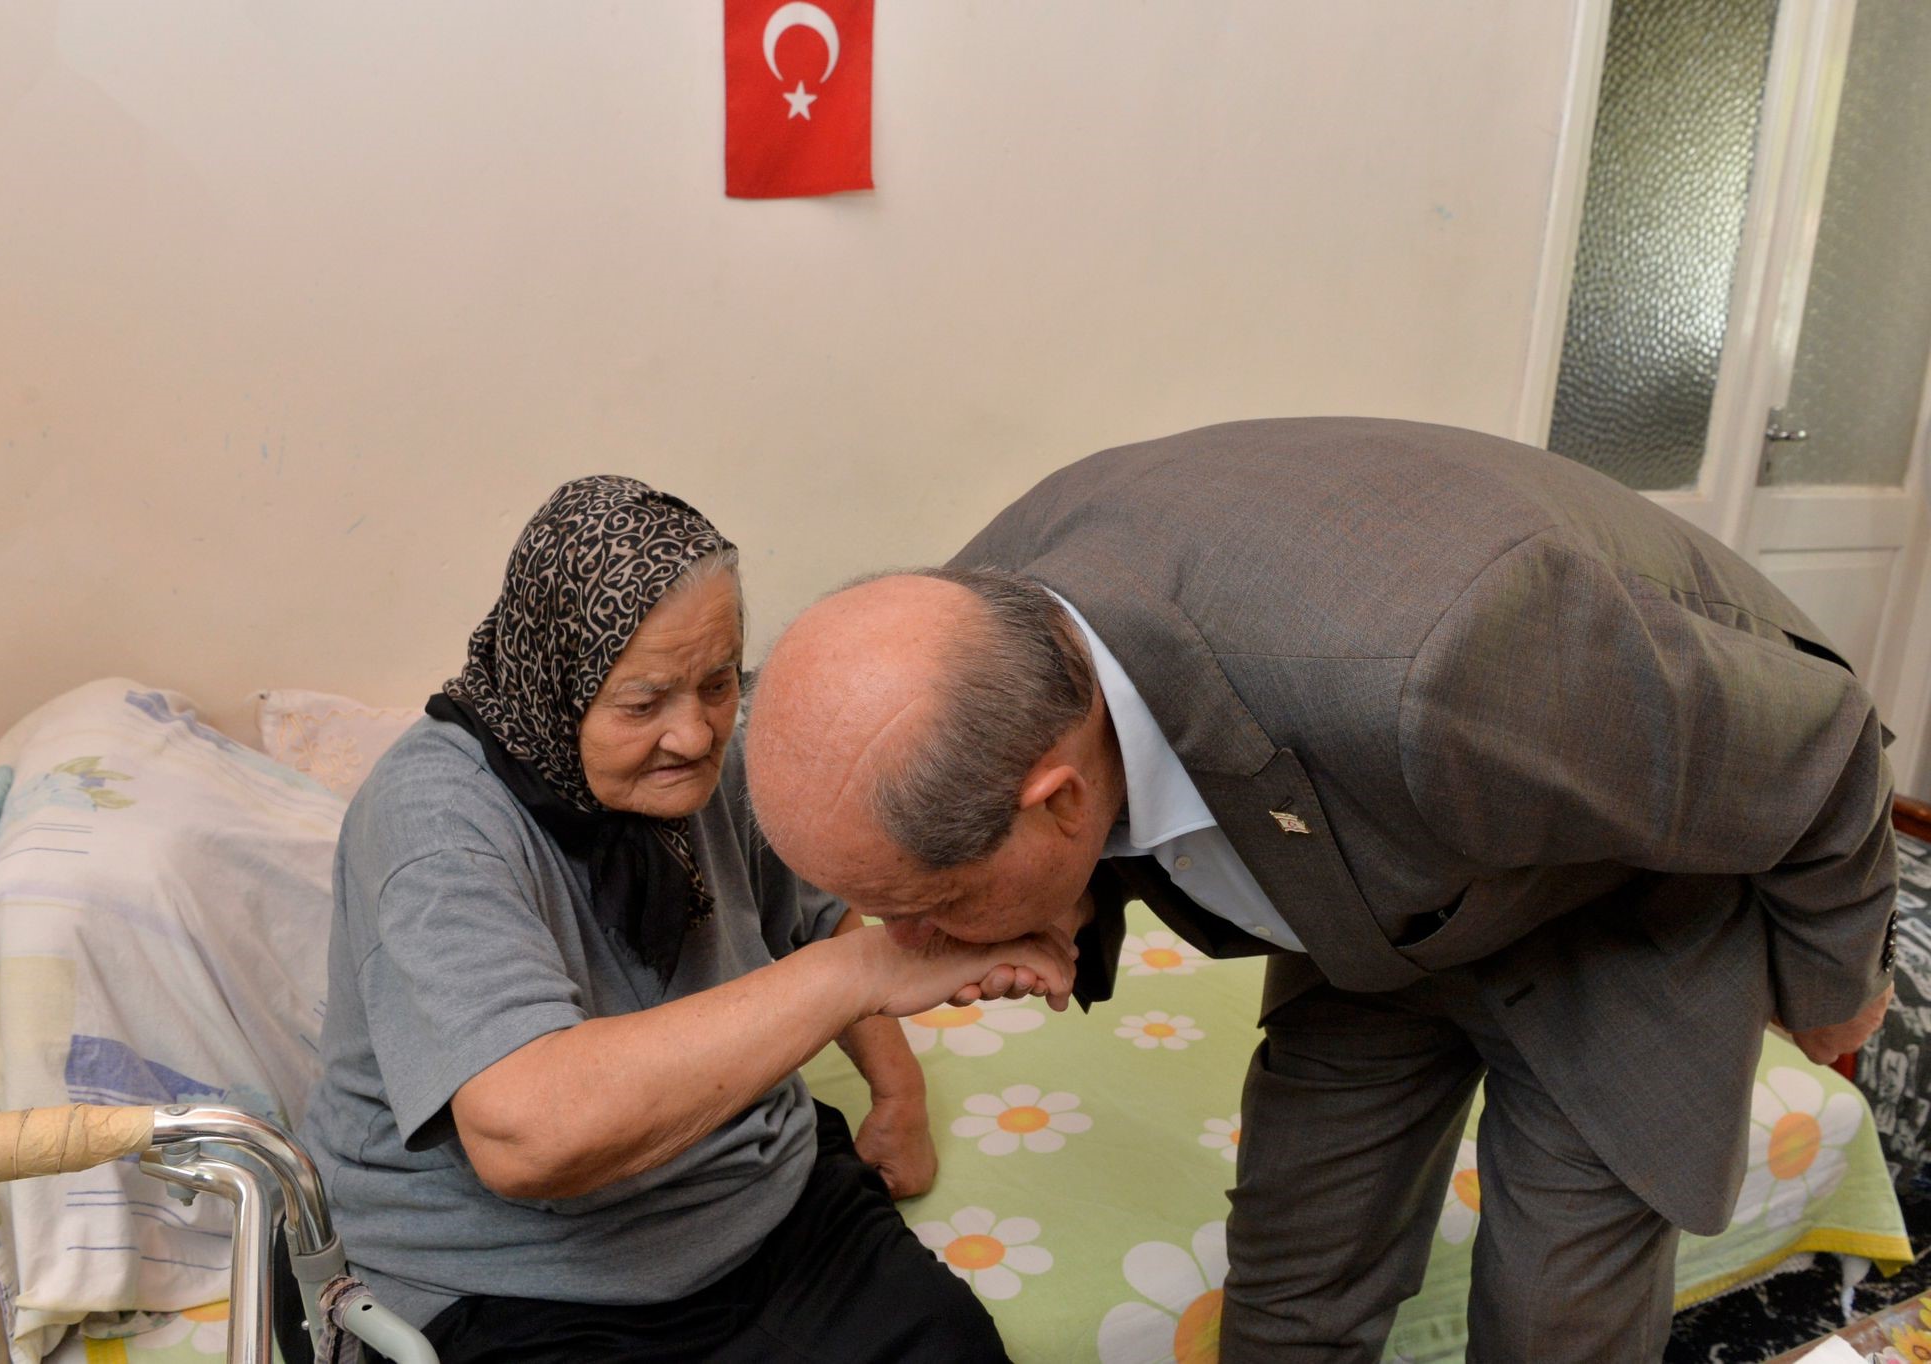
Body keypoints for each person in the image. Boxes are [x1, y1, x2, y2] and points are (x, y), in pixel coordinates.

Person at [742, 417, 1900, 1363]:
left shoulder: (1435, 672)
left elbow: (1817, 750)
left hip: (1612, 915)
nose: (910, 940)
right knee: (1293, 1278)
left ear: (1056, 801)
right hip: (1366, 898)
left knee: (1555, 1321)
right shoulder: (986, 624)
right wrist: (1062, 906)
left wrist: (1833, 985)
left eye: (927, 903)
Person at [295, 476, 1075, 1364]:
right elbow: (527, 1134)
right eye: (643, 703)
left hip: (759, 1202)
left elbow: (819, 921)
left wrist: (900, 1097)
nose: (697, 734)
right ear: (554, 682)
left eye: (718, 682)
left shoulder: (715, 762)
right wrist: (865, 976)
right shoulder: (434, 821)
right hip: (513, 1276)